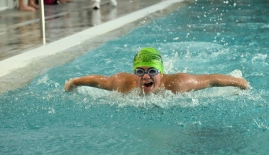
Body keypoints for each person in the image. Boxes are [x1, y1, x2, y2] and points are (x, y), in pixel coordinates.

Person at [65, 47, 249, 94]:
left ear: (161, 73)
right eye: (139, 71)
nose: (145, 76)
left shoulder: (178, 84)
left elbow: (211, 80)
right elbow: (99, 81)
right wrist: (73, 82)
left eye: (152, 71)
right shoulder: (123, 83)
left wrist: (240, 82)